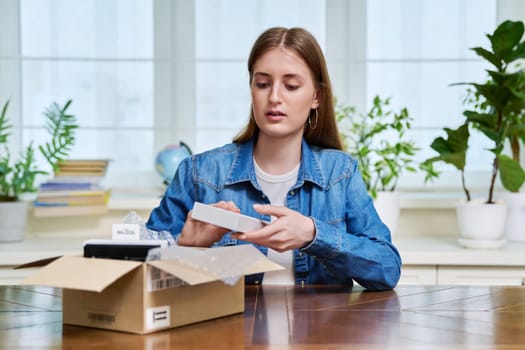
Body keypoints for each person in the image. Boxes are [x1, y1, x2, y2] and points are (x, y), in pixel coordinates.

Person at [146, 27, 401, 290]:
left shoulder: (340, 173)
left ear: (316, 97)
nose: (274, 97)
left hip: (322, 330)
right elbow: (141, 273)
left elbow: (387, 269)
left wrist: (314, 235)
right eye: (263, 84)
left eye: (291, 86)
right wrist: (185, 248)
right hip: (227, 331)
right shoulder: (199, 173)